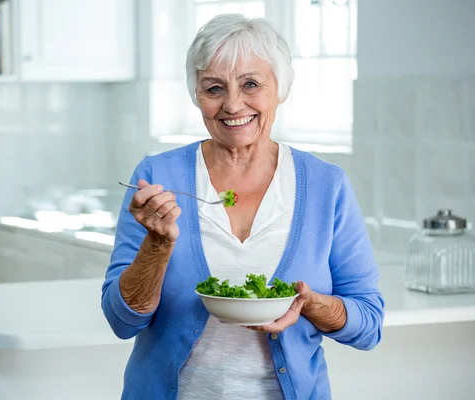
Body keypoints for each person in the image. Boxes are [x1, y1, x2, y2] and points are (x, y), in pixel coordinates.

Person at [102, 13, 385, 400]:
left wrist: (309, 304)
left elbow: (368, 325)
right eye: (214, 88)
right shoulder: (157, 176)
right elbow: (121, 321)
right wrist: (158, 246)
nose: (233, 105)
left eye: (251, 84)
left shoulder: (326, 185)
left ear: (280, 88)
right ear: (196, 95)